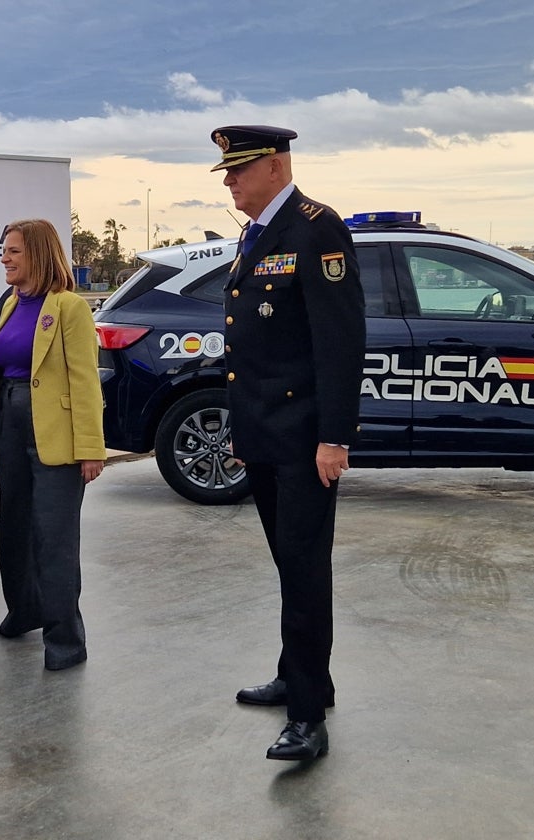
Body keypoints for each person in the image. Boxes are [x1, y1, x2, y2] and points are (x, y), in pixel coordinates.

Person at [209, 125, 366, 760]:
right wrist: (245, 433)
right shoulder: (257, 235)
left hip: (305, 439)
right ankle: (303, 676)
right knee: (287, 565)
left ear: (274, 167)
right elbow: (252, 348)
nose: (229, 181)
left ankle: (307, 718)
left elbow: (340, 341)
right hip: (266, 434)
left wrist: (334, 437)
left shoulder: (315, 227)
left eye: (238, 170)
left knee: (304, 569)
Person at [0, 218, 106, 671]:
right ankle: (25, 610)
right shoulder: (9, 304)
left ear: (39, 255)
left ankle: (65, 640)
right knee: (13, 528)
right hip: (11, 422)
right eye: (4, 251)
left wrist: (91, 448)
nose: (4, 259)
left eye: (13, 251)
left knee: (54, 537)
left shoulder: (69, 306)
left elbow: (85, 381)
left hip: (57, 432)